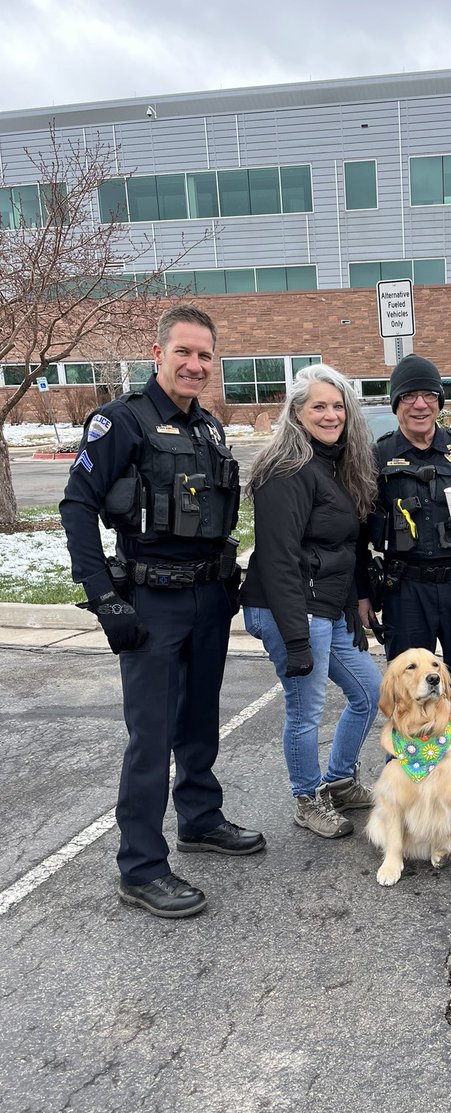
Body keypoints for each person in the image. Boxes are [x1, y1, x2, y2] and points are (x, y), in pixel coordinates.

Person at [60, 304, 263, 919]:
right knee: (150, 739)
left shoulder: (208, 428)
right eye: (184, 353)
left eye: (205, 355)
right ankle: (141, 866)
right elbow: (77, 507)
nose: (195, 365)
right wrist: (103, 596)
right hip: (149, 603)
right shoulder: (121, 422)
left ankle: (199, 819)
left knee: (199, 720)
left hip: (207, 599)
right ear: (158, 355)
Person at [240, 365, 382, 839]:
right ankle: (307, 798)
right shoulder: (287, 469)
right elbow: (280, 560)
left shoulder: (332, 464)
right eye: (318, 405)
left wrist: (350, 610)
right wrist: (297, 641)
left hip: (325, 607)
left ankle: (339, 779)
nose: (331, 414)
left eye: (338, 405)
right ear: (296, 412)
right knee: (305, 710)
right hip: (291, 609)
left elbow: (337, 551)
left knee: (368, 691)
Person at [357, 353, 451, 789]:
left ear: (440, 402)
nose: (419, 404)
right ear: (396, 403)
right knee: (409, 688)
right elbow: (355, 532)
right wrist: (363, 594)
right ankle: (408, 765)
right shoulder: (378, 456)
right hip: (406, 589)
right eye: (408, 396)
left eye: (428, 395)